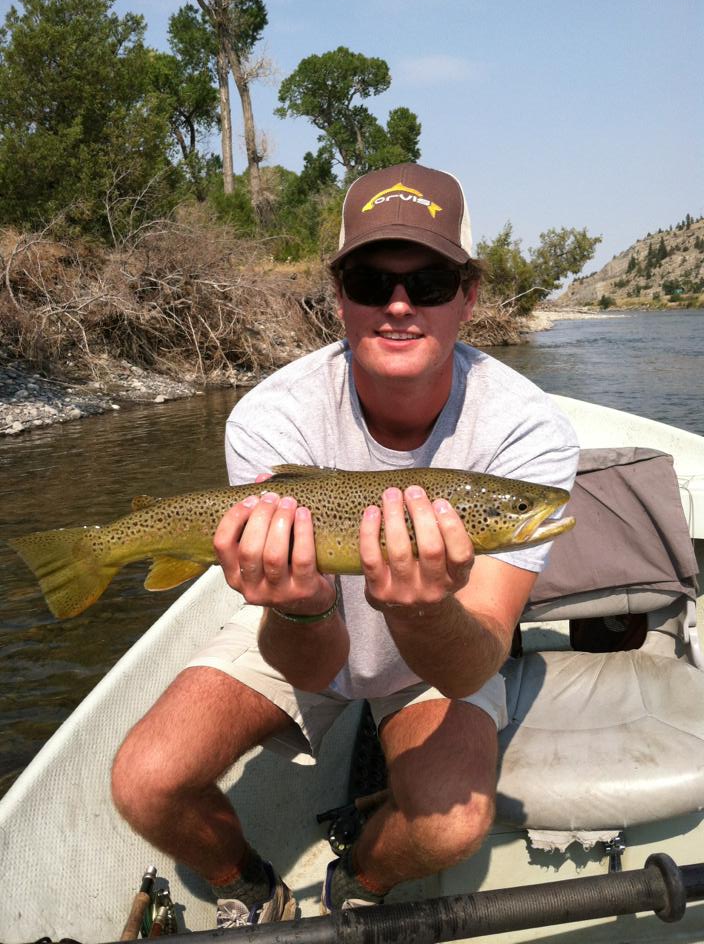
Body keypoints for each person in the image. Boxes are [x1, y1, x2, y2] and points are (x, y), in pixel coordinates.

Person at [111, 162, 579, 926]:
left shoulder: (527, 430)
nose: (398, 304)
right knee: (144, 781)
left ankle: (358, 876)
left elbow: (472, 662)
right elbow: (314, 664)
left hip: (445, 642)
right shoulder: (272, 416)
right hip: (300, 617)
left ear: (469, 295)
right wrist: (299, 605)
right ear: (338, 297)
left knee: (451, 824)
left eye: (429, 282)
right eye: (369, 281)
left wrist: (423, 612)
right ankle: (250, 885)